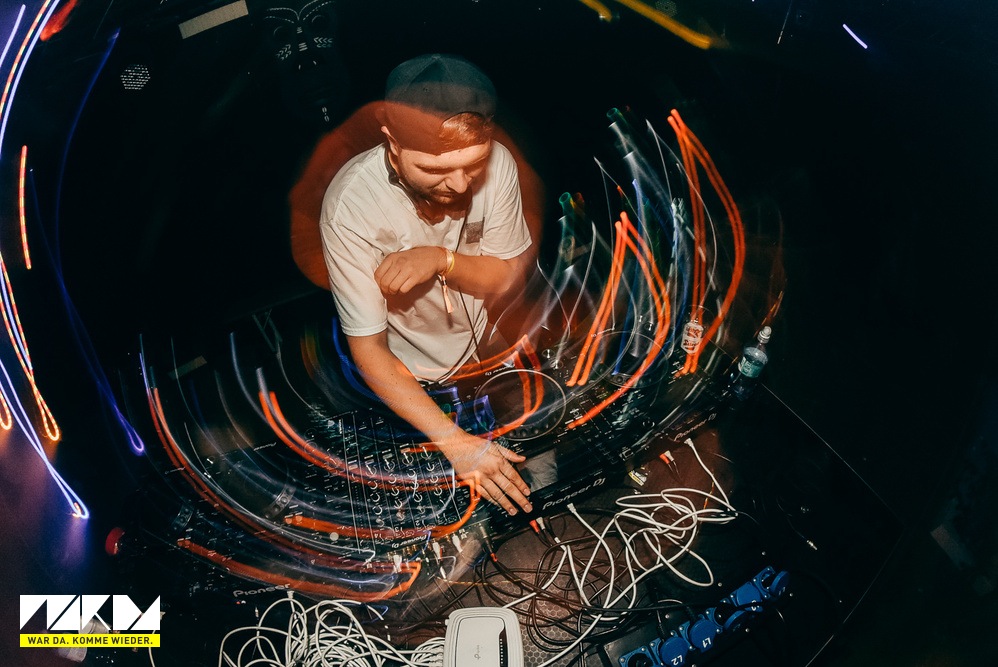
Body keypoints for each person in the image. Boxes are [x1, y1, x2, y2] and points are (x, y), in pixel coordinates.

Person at [319, 54, 534, 516]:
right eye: (435, 170)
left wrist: (443, 260)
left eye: (472, 165)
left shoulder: (499, 164)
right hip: (413, 380)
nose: (459, 185)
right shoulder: (350, 208)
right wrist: (454, 443)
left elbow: (506, 274)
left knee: (535, 473)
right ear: (392, 142)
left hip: (487, 347)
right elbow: (369, 349)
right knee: (457, 515)